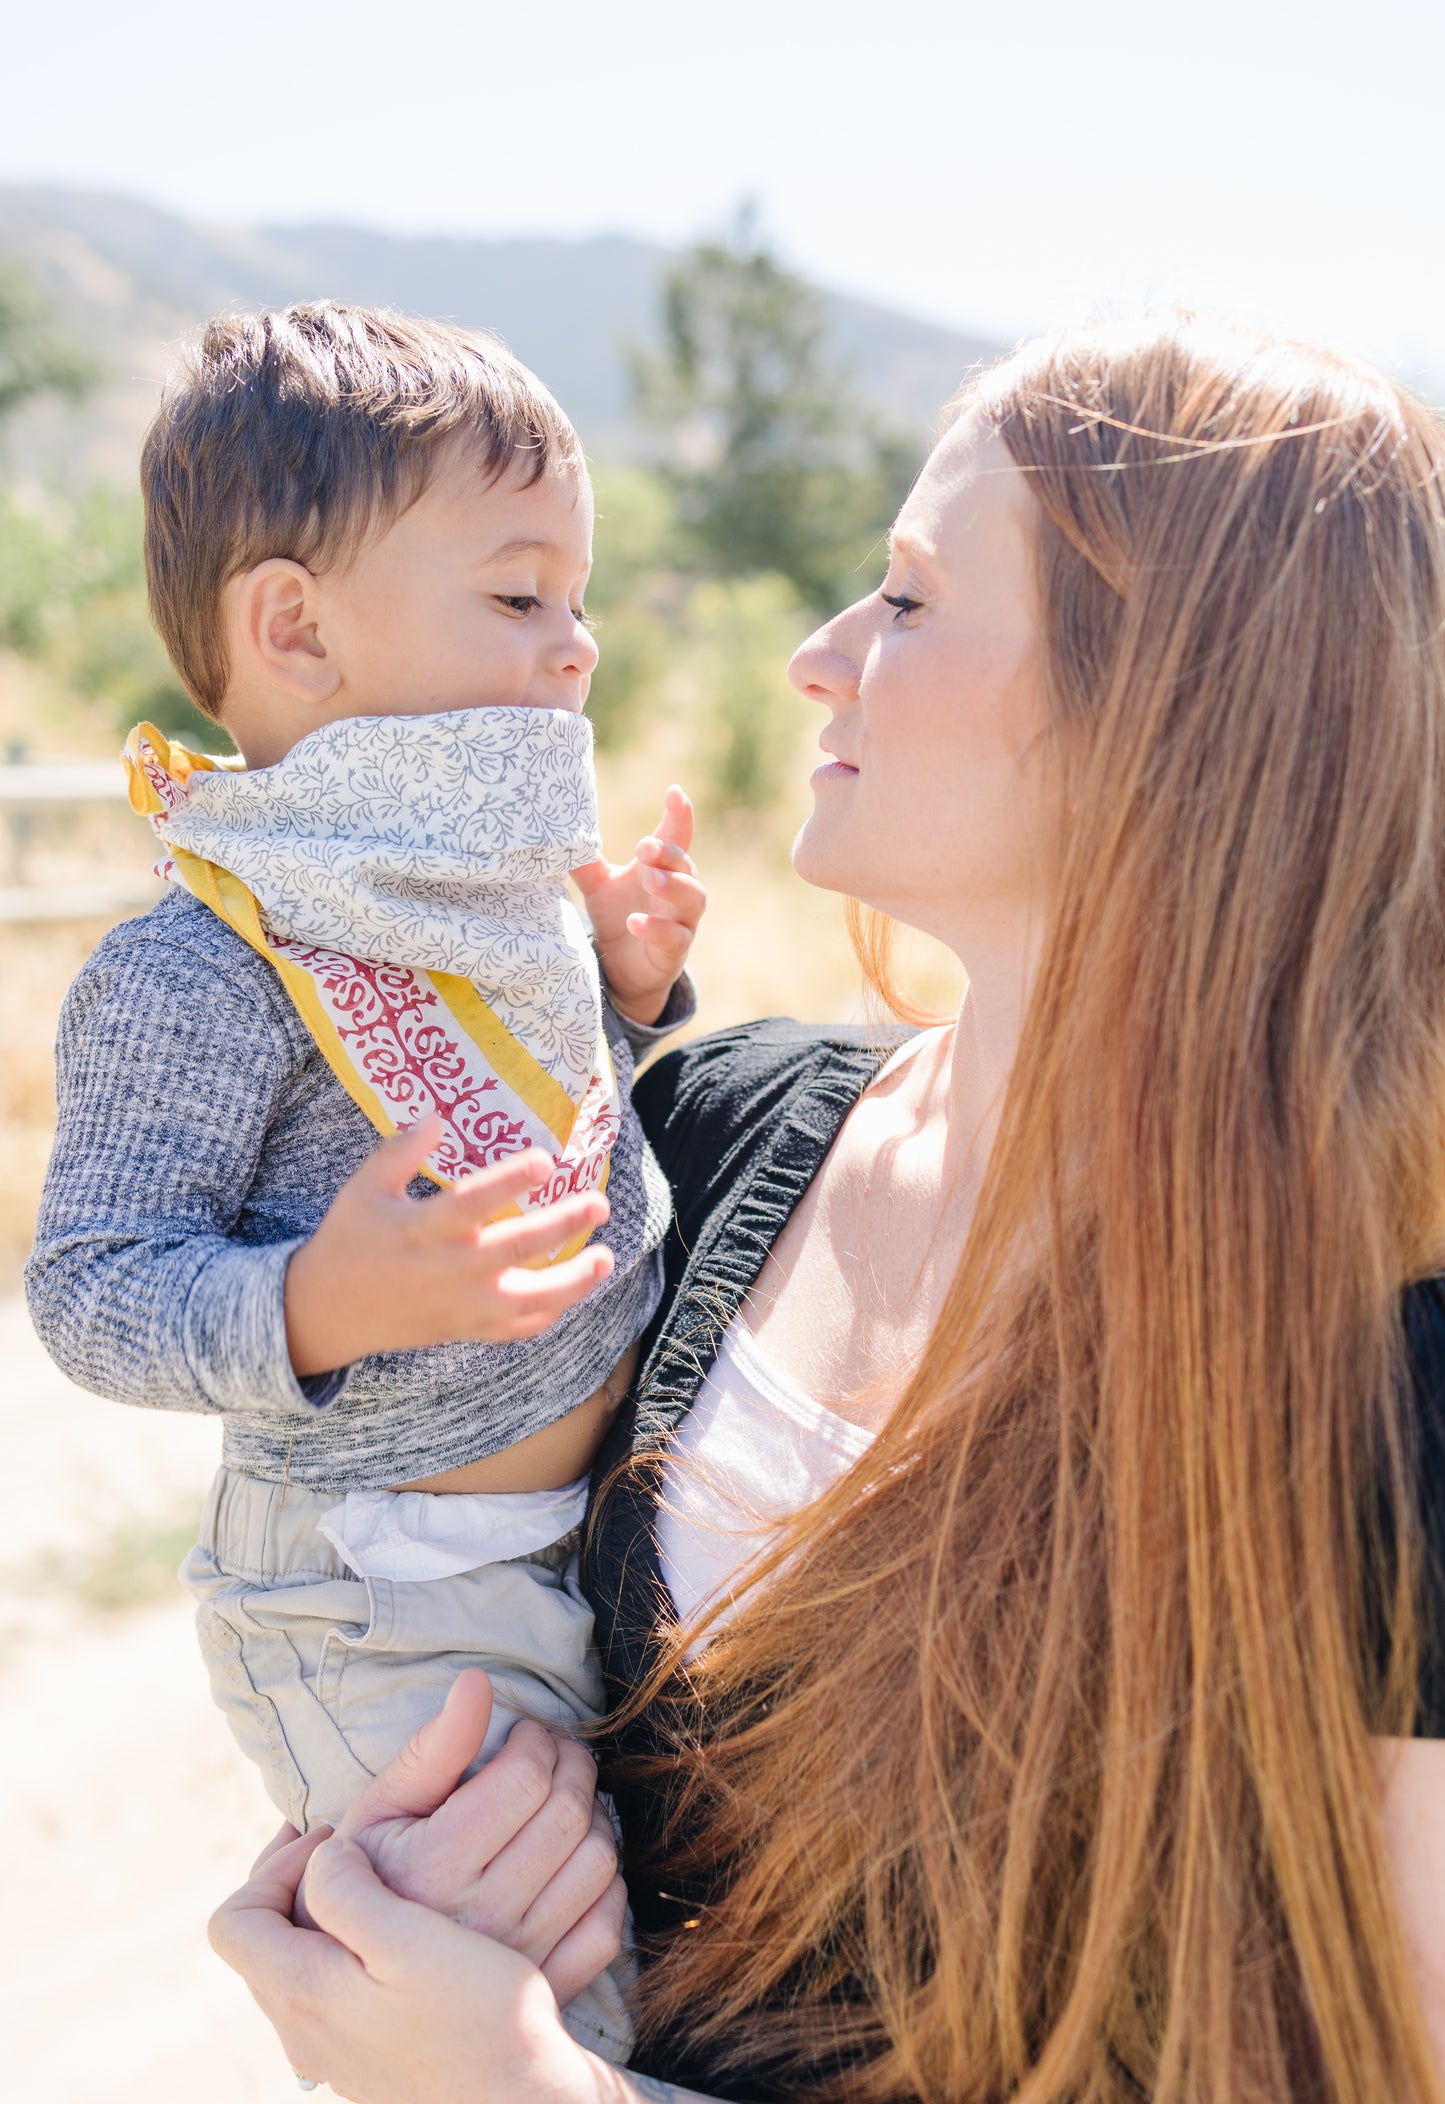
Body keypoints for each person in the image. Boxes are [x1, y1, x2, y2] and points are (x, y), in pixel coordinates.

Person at [212, 312, 1445, 2104]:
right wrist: (415, 1887)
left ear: (1171, 698)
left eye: (912, 597)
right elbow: (431, 1623)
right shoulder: (702, 1132)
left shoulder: (1397, 1365)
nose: (818, 656)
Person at [25, 302, 707, 2064]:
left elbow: (545, 1148)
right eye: (516, 593)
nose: (574, 647)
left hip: (581, 1546)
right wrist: (317, 1302)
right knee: (540, 2027)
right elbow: (92, 1287)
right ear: (292, 629)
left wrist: (629, 1001)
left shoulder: (496, 893)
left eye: (576, 601)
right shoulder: (203, 963)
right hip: (378, 1606)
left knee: (690, 1966)